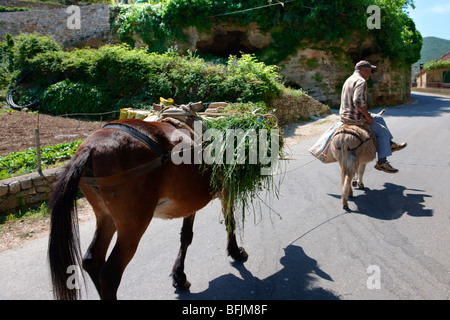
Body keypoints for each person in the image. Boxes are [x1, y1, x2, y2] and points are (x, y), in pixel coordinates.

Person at [339, 60, 407, 173]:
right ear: (363, 70)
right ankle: (382, 162)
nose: (370, 74)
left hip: (345, 116)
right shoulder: (361, 81)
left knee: (379, 118)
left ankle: (390, 144)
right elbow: (358, 102)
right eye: (369, 71)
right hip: (356, 118)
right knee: (382, 132)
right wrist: (368, 117)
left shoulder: (349, 79)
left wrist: (370, 115)